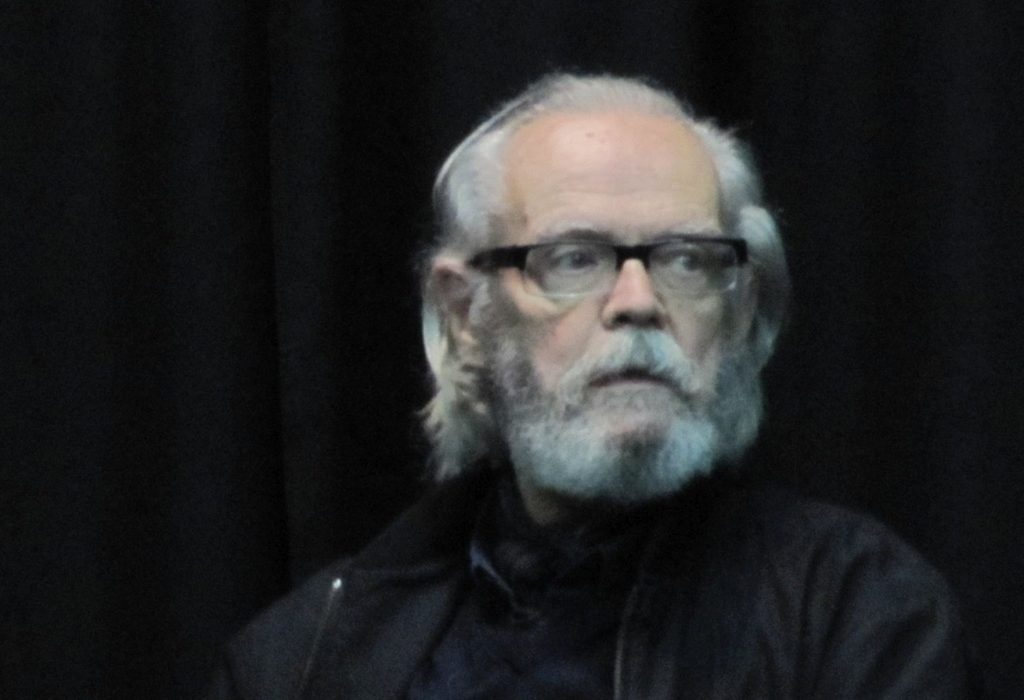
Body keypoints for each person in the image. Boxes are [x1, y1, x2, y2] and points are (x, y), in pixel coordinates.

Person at [208, 73, 974, 699]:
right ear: (465, 312)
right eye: (574, 259)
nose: (637, 301)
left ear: (739, 311)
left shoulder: (857, 615)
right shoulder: (305, 659)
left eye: (686, 259)